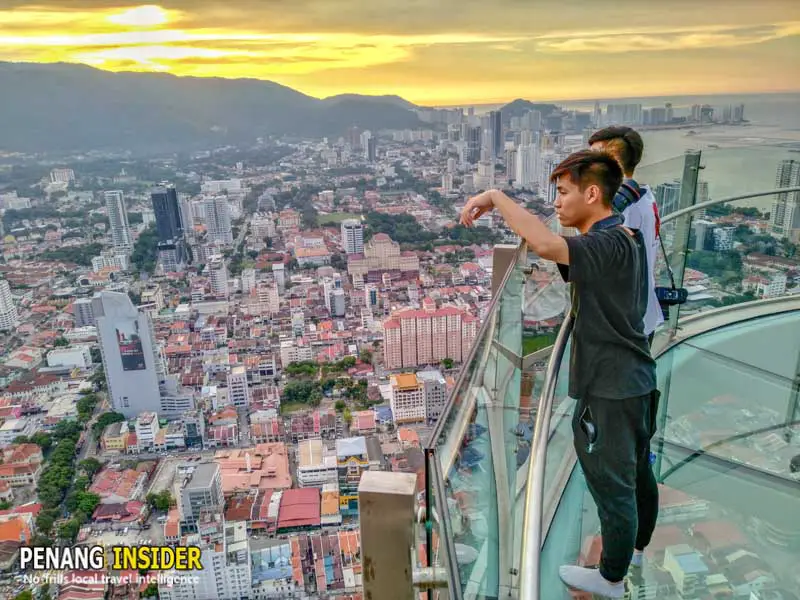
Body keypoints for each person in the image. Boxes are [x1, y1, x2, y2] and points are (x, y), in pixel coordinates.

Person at [460, 150, 659, 598]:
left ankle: (611, 577)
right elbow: (564, 250)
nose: (557, 203)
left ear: (592, 193)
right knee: (636, 473)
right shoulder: (621, 236)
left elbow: (548, 245)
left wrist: (494, 196)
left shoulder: (606, 243)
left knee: (614, 485)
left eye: (564, 192)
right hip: (634, 377)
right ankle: (639, 547)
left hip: (611, 385)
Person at [588, 126, 663, 345]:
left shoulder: (624, 209)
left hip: (625, 324)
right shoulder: (642, 195)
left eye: (593, 157)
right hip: (640, 313)